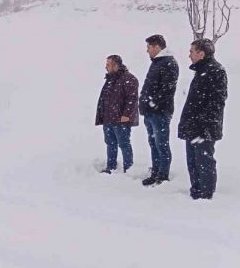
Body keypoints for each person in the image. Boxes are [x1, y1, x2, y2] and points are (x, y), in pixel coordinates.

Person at [178, 39, 227, 200]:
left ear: (201, 53)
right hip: (193, 126)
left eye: (192, 51)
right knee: (192, 161)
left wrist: (203, 125)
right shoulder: (201, 71)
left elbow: (216, 103)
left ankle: (205, 194)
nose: (189, 55)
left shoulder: (215, 71)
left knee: (204, 161)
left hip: (204, 128)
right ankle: (196, 190)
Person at [139, 35, 179, 186]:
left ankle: (163, 175)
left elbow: (167, 89)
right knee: (153, 143)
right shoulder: (157, 63)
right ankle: (155, 171)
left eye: (148, 47)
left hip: (160, 112)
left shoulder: (169, 63)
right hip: (150, 112)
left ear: (156, 47)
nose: (147, 51)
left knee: (161, 144)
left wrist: (151, 103)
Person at [95, 55, 139, 173]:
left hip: (121, 119)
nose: (106, 67)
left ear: (116, 65)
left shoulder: (129, 79)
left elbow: (132, 99)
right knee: (110, 144)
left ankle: (128, 169)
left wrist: (126, 115)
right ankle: (111, 167)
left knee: (124, 144)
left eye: (108, 64)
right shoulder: (110, 79)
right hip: (108, 118)